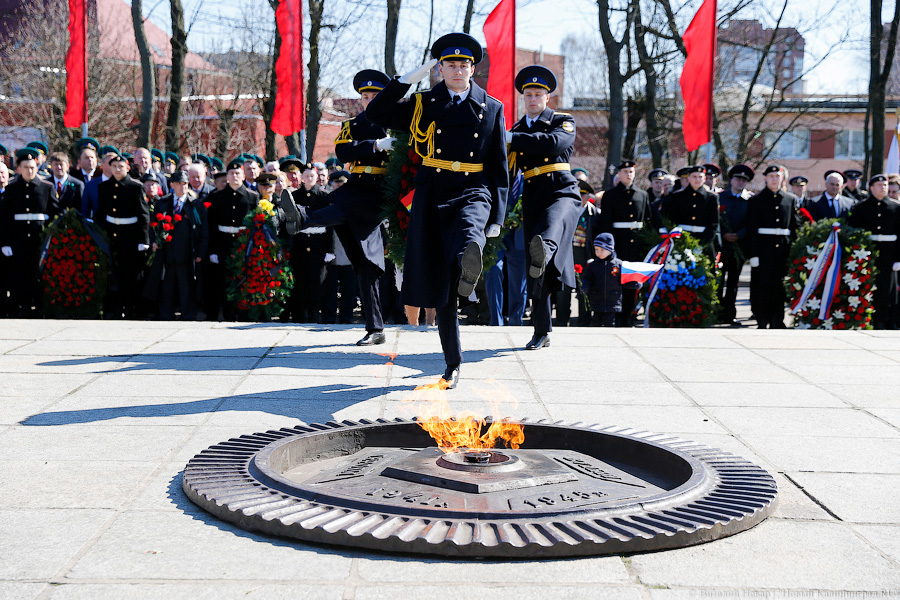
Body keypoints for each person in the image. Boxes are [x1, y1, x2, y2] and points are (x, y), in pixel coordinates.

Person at [366, 31, 508, 388]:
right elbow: (376, 113)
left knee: (468, 233)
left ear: (473, 68)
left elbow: (498, 165)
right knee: (441, 281)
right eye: (450, 64)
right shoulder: (422, 102)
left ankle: (468, 264)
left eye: (464, 64)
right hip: (433, 190)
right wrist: (403, 82)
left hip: (474, 187)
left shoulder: (491, 106)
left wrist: (498, 216)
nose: (457, 70)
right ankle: (452, 362)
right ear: (439, 68)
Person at [295, 70, 392, 344]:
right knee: (365, 264)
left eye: (375, 96)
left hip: (380, 192)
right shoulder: (353, 124)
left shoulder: (396, 123)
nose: (370, 100)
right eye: (365, 96)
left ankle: (303, 218)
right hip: (357, 187)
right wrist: (375, 145)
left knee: (339, 206)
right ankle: (376, 329)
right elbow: (343, 152)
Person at [506, 64, 581, 345]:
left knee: (548, 230)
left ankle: (545, 248)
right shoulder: (514, 129)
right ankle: (541, 331)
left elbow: (553, 144)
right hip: (533, 195)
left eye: (538, 94)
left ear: (548, 97)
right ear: (523, 98)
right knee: (535, 269)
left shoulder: (562, 120)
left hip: (562, 190)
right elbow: (507, 170)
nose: (533, 99)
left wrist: (514, 139)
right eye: (529, 95)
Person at [0, 148, 59, 316]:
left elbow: (56, 215)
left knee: (37, 276)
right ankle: (19, 308)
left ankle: (38, 308)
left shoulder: (47, 188)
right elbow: (5, 219)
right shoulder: (11, 189)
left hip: (39, 239)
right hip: (18, 240)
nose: (30, 170)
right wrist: (5, 242)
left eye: (32, 167)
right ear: (19, 169)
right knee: (18, 276)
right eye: (26, 167)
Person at [144, 170, 208, 320]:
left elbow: (203, 231)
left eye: (185, 184)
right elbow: (153, 226)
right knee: (167, 287)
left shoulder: (196, 205)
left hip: (187, 254)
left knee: (187, 288)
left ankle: (188, 315)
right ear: (171, 185)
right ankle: (165, 314)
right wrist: (154, 242)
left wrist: (200, 253)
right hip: (167, 254)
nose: (182, 187)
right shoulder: (163, 203)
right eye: (178, 183)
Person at [596, 160, 651, 327]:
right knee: (616, 282)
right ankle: (616, 317)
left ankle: (629, 315)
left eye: (631, 172)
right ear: (619, 174)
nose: (628, 174)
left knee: (633, 283)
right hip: (618, 244)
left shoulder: (642, 195)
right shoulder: (610, 195)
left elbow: (647, 221)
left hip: (636, 247)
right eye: (625, 171)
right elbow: (605, 223)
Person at [96, 153, 151, 319]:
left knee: (131, 275)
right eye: (114, 167)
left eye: (121, 167)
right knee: (115, 274)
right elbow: (101, 213)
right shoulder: (104, 187)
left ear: (127, 168)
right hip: (112, 234)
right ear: (109, 168)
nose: (117, 170)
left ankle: (130, 308)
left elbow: (144, 215)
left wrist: (144, 239)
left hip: (131, 236)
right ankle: (116, 309)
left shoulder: (135, 187)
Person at [745, 165, 799, 329]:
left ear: (782, 179)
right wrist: (753, 254)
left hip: (783, 250)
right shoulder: (756, 200)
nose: (775, 179)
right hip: (763, 249)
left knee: (779, 287)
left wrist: (795, 252)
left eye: (778, 176)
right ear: (766, 178)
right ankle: (762, 319)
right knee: (762, 286)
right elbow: (751, 229)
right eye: (772, 176)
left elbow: (795, 227)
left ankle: (777, 319)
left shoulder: (790, 199)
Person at [205, 158, 259, 320]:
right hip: (223, 243)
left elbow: (255, 226)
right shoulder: (217, 196)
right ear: (227, 176)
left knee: (243, 280)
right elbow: (212, 226)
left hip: (243, 245)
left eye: (238, 173)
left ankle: (242, 314)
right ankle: (227, 313)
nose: (235, 176)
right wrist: (213, 250)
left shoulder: (252, 197)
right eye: (231, 173)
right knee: (224, 281)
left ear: (243, 176)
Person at [848, 174, 900, 329]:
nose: (883, 187)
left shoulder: (896, 207)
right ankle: (867, 320)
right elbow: (854, 231)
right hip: (867, 253)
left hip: (888, 254)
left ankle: (884, 320)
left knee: (886, 290)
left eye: (885, 185)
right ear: (871, 188)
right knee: (867, 287)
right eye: (879, 185)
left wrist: (898, 258)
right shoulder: (860, 208)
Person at [290, 163, 333, 323]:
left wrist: (330, 249)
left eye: (312, 176)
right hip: (300, 243)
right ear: (301, 178)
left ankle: (316, 315)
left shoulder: (324, 197)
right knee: (300, 282)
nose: (309, 179)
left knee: (318, 283)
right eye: (306, 176)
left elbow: (330, 225)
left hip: (318, 244)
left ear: (317, 178)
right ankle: (300, 316)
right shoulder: (294, 196)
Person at [718, 164, 754, 326]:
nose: (740, 182)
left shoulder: (750, 200)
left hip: (739, 247)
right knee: (718, 281)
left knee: (733, 283)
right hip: (722, 246)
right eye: (737, 179)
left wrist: (739, 235)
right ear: (731, 180)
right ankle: (717, 312)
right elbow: (715, 220)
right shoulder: (720, 198)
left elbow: (753, 222)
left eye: (743, 180)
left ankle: (730, 314)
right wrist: (724, 234)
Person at [659, 165, 719, 250]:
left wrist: (702, 245)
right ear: (689, 178)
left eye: (700, 177)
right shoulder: (677, 197)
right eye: (694, 176)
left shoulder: (711, 198)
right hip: (681, 241)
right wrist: (678, 240)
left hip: (703, 243)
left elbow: (713, 224)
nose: (697, 179)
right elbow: (671, 220)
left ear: (704, 179)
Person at [581, 233, 624, 327]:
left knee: (609, 323)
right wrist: (584, 286)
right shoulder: (593, 265)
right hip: (597, 300)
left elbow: (624, 280)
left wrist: (634, 283)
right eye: (596, 249)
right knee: (596, 322)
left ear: (610, 249)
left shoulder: (618, 264)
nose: (598, 252)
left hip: (612, 300)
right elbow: (588, 278)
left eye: (602, 250)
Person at [81, 150, 116, 219]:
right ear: (102, 165)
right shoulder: (91, 185)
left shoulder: (123, 183)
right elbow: (85, 212)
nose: (114, 166)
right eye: (111, 163)